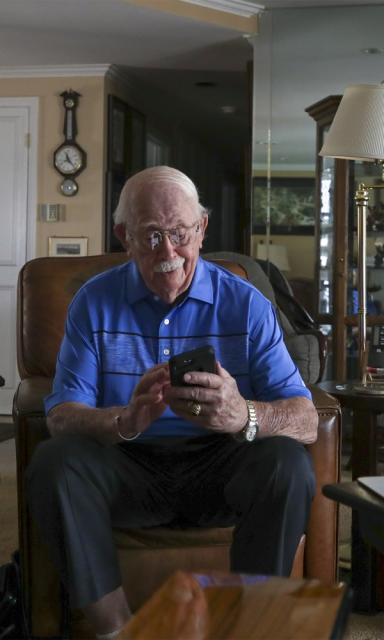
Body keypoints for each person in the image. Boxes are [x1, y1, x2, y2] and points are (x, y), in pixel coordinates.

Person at [26, 166, 318, 639]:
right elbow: (61, 417)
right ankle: (116, 631)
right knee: (54, 462)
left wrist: (241, 413)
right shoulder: (91, 302)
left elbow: (305, 419)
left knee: (288, 463)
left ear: (201, 229)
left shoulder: (246, 305)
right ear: (125, 236)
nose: (168, 251)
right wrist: (124, 419)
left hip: (223, 467)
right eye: (152, 235)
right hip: (128, 465)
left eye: (180, 233)